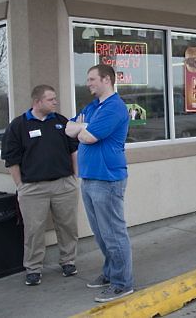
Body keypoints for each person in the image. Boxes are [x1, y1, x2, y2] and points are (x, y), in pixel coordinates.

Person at [66, 64, 134, 302]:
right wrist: (81, 126)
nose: (88, 83)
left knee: (113, 232)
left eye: (92, 79)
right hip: (89, 177)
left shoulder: (115, 107)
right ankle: (110, 273)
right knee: (100, 233)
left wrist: (82, 128)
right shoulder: (94, 106)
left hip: (107, 179)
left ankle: (122, 283)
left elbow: (87, 136)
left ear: (107, 80)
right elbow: (68, 128)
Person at [1, 85, 79, 286]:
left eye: (55, 99)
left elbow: (74, 151)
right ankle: (34, 268)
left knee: (68, 226)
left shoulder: (61, 122)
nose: (55, 102)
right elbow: (11, 159)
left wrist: (74, 177)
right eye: (51, 99)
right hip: (33, 189)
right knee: (34, 230)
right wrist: (21, 186)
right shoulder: (18, 126)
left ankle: (68, 261)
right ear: (37, 102)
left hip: (64, 185)